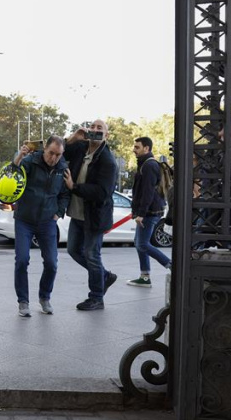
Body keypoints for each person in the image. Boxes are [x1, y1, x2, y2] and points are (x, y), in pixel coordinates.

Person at [11, 136, 70, 316]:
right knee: (22, 260)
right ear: (45, 149)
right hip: (24, 219)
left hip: (47, 221)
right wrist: (18, 157)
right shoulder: (30, 161)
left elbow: (65, 194)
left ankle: (45, 297)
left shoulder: (63, 168)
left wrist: (58, 213)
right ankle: (23, 301)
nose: (54, 158)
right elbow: (13, 176)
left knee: (52, 263)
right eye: (51, 153)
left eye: (58, 155)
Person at [62, 119, 118, 311]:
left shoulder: (108, 161)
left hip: (95, 216)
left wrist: (74, 187)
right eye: (92, 127)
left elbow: (102, 192)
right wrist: (73, 138)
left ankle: (96, 298)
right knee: (73, 250)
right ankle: (105, 276)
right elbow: (61, 153)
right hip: (77, 213)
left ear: (106, 135)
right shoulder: (81, 148)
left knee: (92, 255)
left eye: (99, 128)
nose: (94, 130)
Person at [127, 137, 171, 287]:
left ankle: (171, 265)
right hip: (148, 211)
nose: (134, 150)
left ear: (146, 148)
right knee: (139, 243)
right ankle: (145, 277)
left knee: (142, 244)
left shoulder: (149, 165)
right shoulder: (145, 164)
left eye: (137, 147)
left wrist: (141, 213)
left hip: (150, 212)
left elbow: (148, 192)